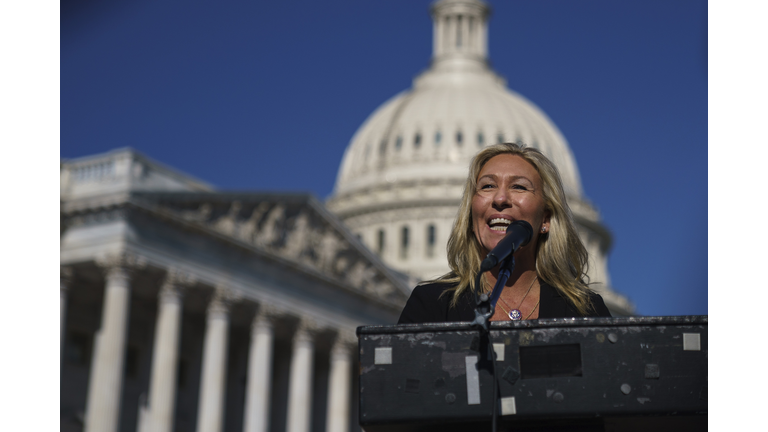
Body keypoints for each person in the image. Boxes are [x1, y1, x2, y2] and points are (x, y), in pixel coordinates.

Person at [398, 143, 611, 324]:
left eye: (519, 187)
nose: (500, 199)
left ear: (545, 219)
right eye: (488, 186)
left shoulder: (585, 312)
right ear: (472, 218)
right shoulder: (432, 305)